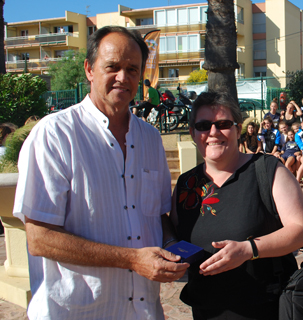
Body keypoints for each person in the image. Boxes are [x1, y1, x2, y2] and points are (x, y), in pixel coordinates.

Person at [13, 26, 189, 319]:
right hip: (77, 312)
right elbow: (39, 237)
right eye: (113, 67)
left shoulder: (150, 138)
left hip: (143, 311)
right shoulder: (55, 135)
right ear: (89, 70)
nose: (123, 77)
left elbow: (157, 214)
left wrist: (171, 247)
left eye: (133, 69)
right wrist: (133, 259)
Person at [171, 90, 303, 319]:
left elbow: (302, 231)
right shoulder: (186, 184)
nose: (213, 132)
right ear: (192, 133)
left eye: (223, 124)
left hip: (264, 307)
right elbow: (173, 231)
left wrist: (249, 249)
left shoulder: (267, 170)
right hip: (207, 309)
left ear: (237, 129)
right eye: (204, 125)